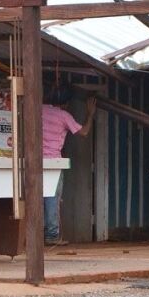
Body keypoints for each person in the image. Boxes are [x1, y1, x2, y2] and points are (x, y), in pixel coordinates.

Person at [42, 86, 95, 246]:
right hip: (53, 162)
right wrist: (90, 114)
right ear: (65, 104)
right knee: (52, 198)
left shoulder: (38, 110)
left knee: (35, 197)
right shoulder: (63, 115)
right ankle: (51, 235)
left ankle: (35, 234)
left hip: (34, 161)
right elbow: (84, 132)